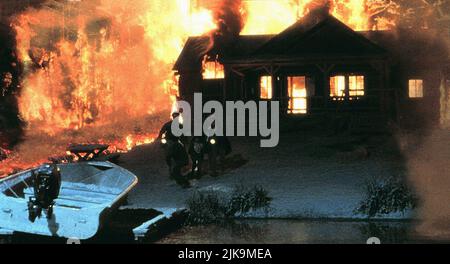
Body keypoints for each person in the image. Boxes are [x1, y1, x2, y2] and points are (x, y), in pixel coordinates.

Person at [158, 112, 191, 188]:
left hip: (176, 141)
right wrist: (160, 138)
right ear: (172, 117)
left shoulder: (180, 125)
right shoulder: (168, 124)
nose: (175, 118)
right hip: (169, 141)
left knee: (177, 154)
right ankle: (171, 170)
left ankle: (179, 171)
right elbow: (162, 131)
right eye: (174, 116)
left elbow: (184, 134)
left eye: (176, 117)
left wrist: (185, 140)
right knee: (168, 155)